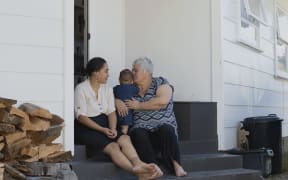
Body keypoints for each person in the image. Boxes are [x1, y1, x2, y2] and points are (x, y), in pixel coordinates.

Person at [74, 57, 163, 179]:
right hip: (86, 126)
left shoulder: (108, 89)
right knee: (113, 147)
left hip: (105, 122)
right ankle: (136, 172)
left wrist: (113, 129)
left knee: (125, 138)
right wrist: (102, 130)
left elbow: (111, 112)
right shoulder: (81, 89)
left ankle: (139, 164)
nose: (108, 74)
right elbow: (81, 117)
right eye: (105, 71)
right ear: (95, 72)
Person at [116, 57, 187, 177]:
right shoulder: (131, 88)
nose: (132, 73)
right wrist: (116, 101)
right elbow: (115, 94)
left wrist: (139, 105)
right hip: (142, 131)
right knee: (137, 132)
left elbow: (162, 101)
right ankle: (153, 167)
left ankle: (177, 165)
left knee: (167, 129)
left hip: (162, 129)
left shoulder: (160, 82)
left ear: (146, 71)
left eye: (135, 70)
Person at [113, 69, 139, 134]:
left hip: (118, 112)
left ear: (119, 80)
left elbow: (110, 95)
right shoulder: (134, 88)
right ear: (132, 81)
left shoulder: (116, 88)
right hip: (128, 113)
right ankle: (124, 135)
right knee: (125, 128)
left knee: (118, 126)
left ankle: (118, 134)